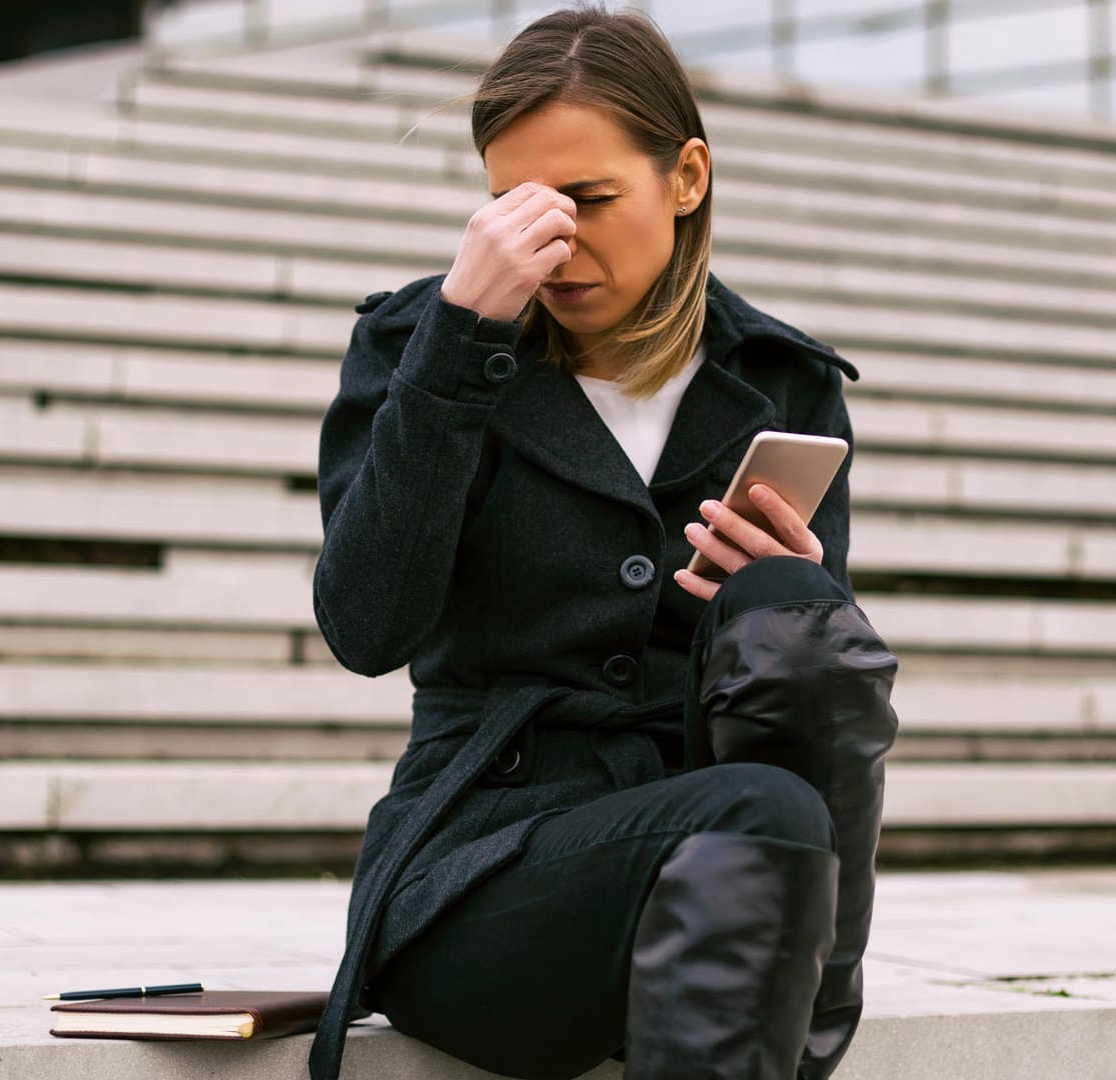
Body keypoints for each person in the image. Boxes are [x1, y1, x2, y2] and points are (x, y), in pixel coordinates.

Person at [307, 6, 899, 1079]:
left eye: (588, 199)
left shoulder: (786, 382)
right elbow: (364, 627)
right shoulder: (417, 343)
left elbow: (817, 709)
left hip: (720, 855)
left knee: (796, 631)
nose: (556, 243)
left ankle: (812, 1003)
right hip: (478, 880)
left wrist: (783, 593)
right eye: (517, 208)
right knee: (762, 811)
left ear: (688, 177)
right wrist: (460, 340)